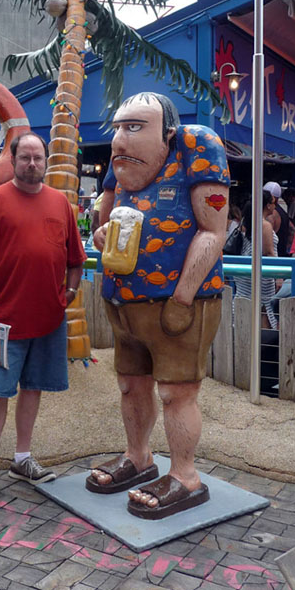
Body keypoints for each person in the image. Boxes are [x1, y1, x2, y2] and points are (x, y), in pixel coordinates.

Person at [88, 92, 229, 520]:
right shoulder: (122, 167)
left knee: (176, 392)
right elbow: (103, 218)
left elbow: (213, 230)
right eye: (117, 128)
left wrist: (184, 296)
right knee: (132, 385)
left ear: (167, 134)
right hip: (126, 303)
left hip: (178, 303)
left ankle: (184, 475)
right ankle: (139, 456)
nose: (119, 139)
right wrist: (98, 234)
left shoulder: (198, 147)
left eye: (134, 127)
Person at [0, 132, 86, 507]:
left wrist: (71, 291)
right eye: (25, 158)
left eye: (38, 158)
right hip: (4, 320)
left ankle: (21, 458)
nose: (33, 164)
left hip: (48, 319)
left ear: (46, 162)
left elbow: (75, 257)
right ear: (13, 161)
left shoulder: (60, 204)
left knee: (33, 387)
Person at [234, 190, 279, 329]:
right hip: (262, 275)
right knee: (263, 305)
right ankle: (261, 343)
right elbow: (269, 252)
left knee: (245, 300)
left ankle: (242, 331)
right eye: (273, 202)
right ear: (268, 205)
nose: (275, 206)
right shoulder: (264, 225)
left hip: (245, 272)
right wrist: (278, 275)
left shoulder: (246, 221)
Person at [264, 181, 290, 256]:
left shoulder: (270, 214)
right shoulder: (283, 213)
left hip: (271, 260)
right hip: (281, 256)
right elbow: (292, 231)